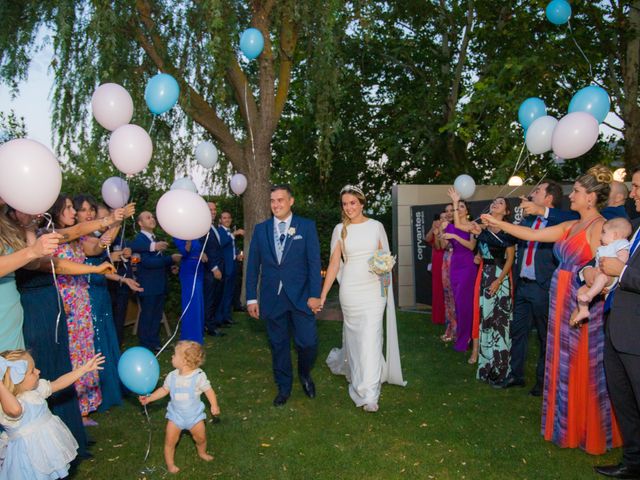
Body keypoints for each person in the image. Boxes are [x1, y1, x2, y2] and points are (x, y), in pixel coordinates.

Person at [482, 165, 622, 455]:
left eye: (579, 192)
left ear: (591, 198)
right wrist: (500, 225)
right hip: (559, 298)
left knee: (583, 363)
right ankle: (566, 423)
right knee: (562, 360)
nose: (572, 197)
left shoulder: (598, 227)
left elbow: (600, 269)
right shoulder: (572, 225)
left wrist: (592, 282)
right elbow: (531, 236)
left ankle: (587, 428)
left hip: (580, 302)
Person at [321, 185, 406, 412]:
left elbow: (383, 257)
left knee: (371, 336)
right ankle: (356, 369)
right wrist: (322, 295)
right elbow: (334, 264)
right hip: (350, 289)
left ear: (361, 203)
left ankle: (368, 393)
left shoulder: (376, 226)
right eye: (345, 204)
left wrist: (385, 279)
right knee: (357, 338)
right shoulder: (340, 230)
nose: (349, 208)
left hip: (372, 290)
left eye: (353, 203)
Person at [245, 184, 322, 407]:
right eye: (272, 201)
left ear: (291, 201)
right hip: (272, 297)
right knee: (278, 345)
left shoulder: (306, 227)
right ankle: (284, 387)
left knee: (308, 343)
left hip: (301, 297)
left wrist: (315, 295)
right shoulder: (261, 230)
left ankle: (305, 374)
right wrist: (251, 297)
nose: (276, 205)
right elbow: (253, 266)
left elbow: (313, 263)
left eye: (280, 200)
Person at [593, 169, 640, 478]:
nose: (633, 193)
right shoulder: (633, 227)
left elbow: (622, 269)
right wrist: (589, 271)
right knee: (624, 401)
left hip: (636, 334)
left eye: (637, 187)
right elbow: (605, 255)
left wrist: (621, 274)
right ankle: (634, 462)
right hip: (617, 327)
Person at [500, 181, 566, 396]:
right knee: (518, 332)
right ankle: (515, 375)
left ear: (548, 199)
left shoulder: (562, 219)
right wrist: (490, 229)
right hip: (523, 286)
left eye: (538, 190)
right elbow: (512, 238)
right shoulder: (528, 220)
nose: (532, 193)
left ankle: (543, 382)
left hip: (542, 287)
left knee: (545, 337)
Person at [0, 350, 104, 480]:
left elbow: (58, 383)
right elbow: (15, 410)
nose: (38, 371)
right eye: (32, 371)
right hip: (28, 458)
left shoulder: (36, 390)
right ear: (17, 381)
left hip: (46, 451)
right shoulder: (10, 407)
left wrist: (83, 370)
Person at [450, 189, 515, 380]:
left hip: (500, 276)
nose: (496, 204)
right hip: (484, 274)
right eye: (494, 201)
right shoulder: (481, 228)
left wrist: (498, 280)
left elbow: (510, 259)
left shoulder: (508, 230)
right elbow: (459, 224)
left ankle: (501, 365)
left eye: (501, 203)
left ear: (506, 212)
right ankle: (486, 363)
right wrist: (455, 203)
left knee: (500, 321)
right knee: (485, 319)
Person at [138, 341, 220, 474]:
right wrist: (150, 398)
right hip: (175, 417)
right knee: (170, 442)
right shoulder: (172, 376)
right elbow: (164, 390)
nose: (172, 357)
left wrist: (214, 405)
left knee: (201, 438)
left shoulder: (199, 376)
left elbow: (209, 390)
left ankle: (202, 452)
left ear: (185, 361)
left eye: (174, 355)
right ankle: (170, 465)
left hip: (195, 417)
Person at [130, 211, 181, 352]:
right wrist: (170, 259)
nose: (152, 219)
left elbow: (159, 261)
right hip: (148, 284)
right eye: (148, 217)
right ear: (140, 223)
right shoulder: (139, 241)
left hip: (159, 283)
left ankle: (155, 342)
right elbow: (147, 262)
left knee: (157, 315)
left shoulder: (155, 238)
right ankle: (145, 344)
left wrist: (171, 266)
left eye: (153, 217)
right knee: (147, 315)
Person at [570, 217, 631, 326]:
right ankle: (584, 310)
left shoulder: (620, 243)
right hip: (598, 275)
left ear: (615, 235)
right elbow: (594, 262)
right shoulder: (604, 247)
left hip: (610, 276)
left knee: (601, 278)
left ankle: (589, 296)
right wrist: (588, 270)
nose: (601, 235)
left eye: (604, 232)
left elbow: (623, 257)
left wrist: (617, 265)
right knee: (580, 291)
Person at [443, 194, 478, 354]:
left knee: (466, 303)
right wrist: (440, 234)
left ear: (467, 211)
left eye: (461, 207)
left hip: (467, 265)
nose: (458, 209)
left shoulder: (473, 225)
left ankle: (468, 337)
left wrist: (455, 236)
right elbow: (441, 244)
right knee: (458, 302)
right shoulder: (450, 227)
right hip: (455, 264)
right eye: (458, 207)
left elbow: (471, 246)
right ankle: (462, 335)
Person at [174, 237, 206, 344]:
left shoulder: (195, 234)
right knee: (191, 302)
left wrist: (202, 254)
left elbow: (198, 249)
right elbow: (183, 252)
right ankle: (190, 335)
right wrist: (187, 247)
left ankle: (198, 332)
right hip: (188, 270)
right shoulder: (180, 234)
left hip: (198, 269)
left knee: (198, 302)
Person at [214, 212, 243, 328]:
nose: (227, 220)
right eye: (224, 218)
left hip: (233, 265)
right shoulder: (219, 231)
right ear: (220, 220)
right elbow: (221, 243)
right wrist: (234, 234)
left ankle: (227, 317)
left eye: (229, 217)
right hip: (224, 267)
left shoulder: (229, 231)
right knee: (223, 293)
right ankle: (219, 319)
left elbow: (231, 247)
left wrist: (237, 254)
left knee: (230, 293)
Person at [202, 202, 225, 337]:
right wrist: (214, 268)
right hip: (210, 271)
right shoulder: (202, 228)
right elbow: (205, 250)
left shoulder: (214, 227)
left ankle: (212, 323)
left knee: (216, 297)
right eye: (210, 209)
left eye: (215, 209)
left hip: (220, 267)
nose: (213, 211)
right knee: (209, 299)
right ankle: (209, 327)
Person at [425, 213, 445, 325]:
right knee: (438, 288)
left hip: (447, 257)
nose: (441, 220)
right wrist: (433, 227)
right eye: (440, 218)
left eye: (443, 218)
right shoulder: (436, 229)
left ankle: (446, 316)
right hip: (437, 259)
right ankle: (438, 316)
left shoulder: (448, 229)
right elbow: (427, 239)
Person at [440, 204, 457, 341]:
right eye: (446, 211)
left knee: (457, 296)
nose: (449, 213)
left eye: (452, 210)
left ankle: (460, 331)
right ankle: (450, 328)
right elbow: (441, 246)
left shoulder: (463, 226)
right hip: (446, 260)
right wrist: (441, 229)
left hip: (458, 260)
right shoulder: (446, 226)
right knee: (448, 296)